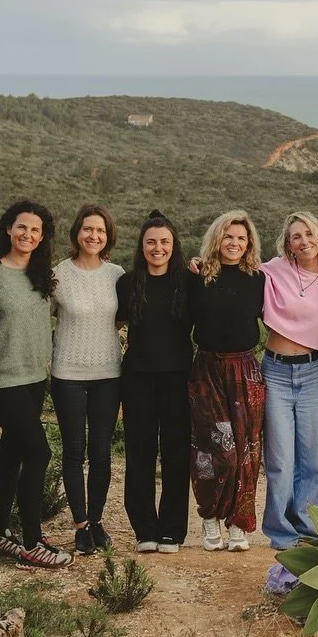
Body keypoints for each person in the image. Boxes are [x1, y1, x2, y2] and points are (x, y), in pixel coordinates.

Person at [0, 200, 72, 569]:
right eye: (21, 227)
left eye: (35, 230)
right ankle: (32, 542)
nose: (27, 235)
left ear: (42, 236)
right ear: (7, 229)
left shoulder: (40, 273)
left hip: (34, 378)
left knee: (11, 455)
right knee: (38, 453)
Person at [117, 211, 194, 554]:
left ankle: (172, 530)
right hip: (137, 379)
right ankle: (144, 528)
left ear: (173, 244)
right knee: (139, 453)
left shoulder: (189, 283)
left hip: (179, 378)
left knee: (176, 453)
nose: (157, 247)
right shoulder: (128, 283)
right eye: (151, 242)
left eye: (164, 241)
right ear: (142, 245)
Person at [189, 211, 266, 553]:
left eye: (241, 238)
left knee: (246, 450)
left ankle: (239, 522)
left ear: (249, 243)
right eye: (228, 237)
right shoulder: (199, 276)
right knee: (213, 450)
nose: (234, 243)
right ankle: (209, 516)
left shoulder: (258, 279)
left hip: (245, 370)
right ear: (216, 239)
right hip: (207, 370)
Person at [50, 204, 124, 556]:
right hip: (68, 375)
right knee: (74, 450)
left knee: (100, 452)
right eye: (87, 229)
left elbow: (122, 317)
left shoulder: (116, 275)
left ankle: (96, 521)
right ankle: (80, 526)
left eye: (100, 231)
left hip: (108, 375)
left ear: (108, 236)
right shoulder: (58, 275)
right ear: (76, 233)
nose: (93, 236)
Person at [260, 211, 318, 551]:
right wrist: (200, 264)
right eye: (295, 237)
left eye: (307, 233)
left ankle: (309, 525)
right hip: (275, 371)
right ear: (288, 245)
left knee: (314, 456)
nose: (303, 241)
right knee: (279, 458)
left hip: (312, 371)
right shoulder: (275, 269)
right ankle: (281, 532)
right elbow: (237, 269)